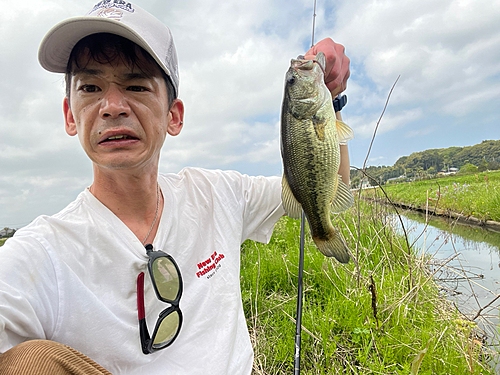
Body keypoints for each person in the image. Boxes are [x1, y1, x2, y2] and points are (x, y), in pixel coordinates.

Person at [0, 1, 351, 374]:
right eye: (90, 87)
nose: (113, 106)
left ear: (174, 116)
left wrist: (331, 99)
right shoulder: (38, 254)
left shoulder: (218, 194)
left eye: (136, 85)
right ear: (71, 115)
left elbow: (331, 184)